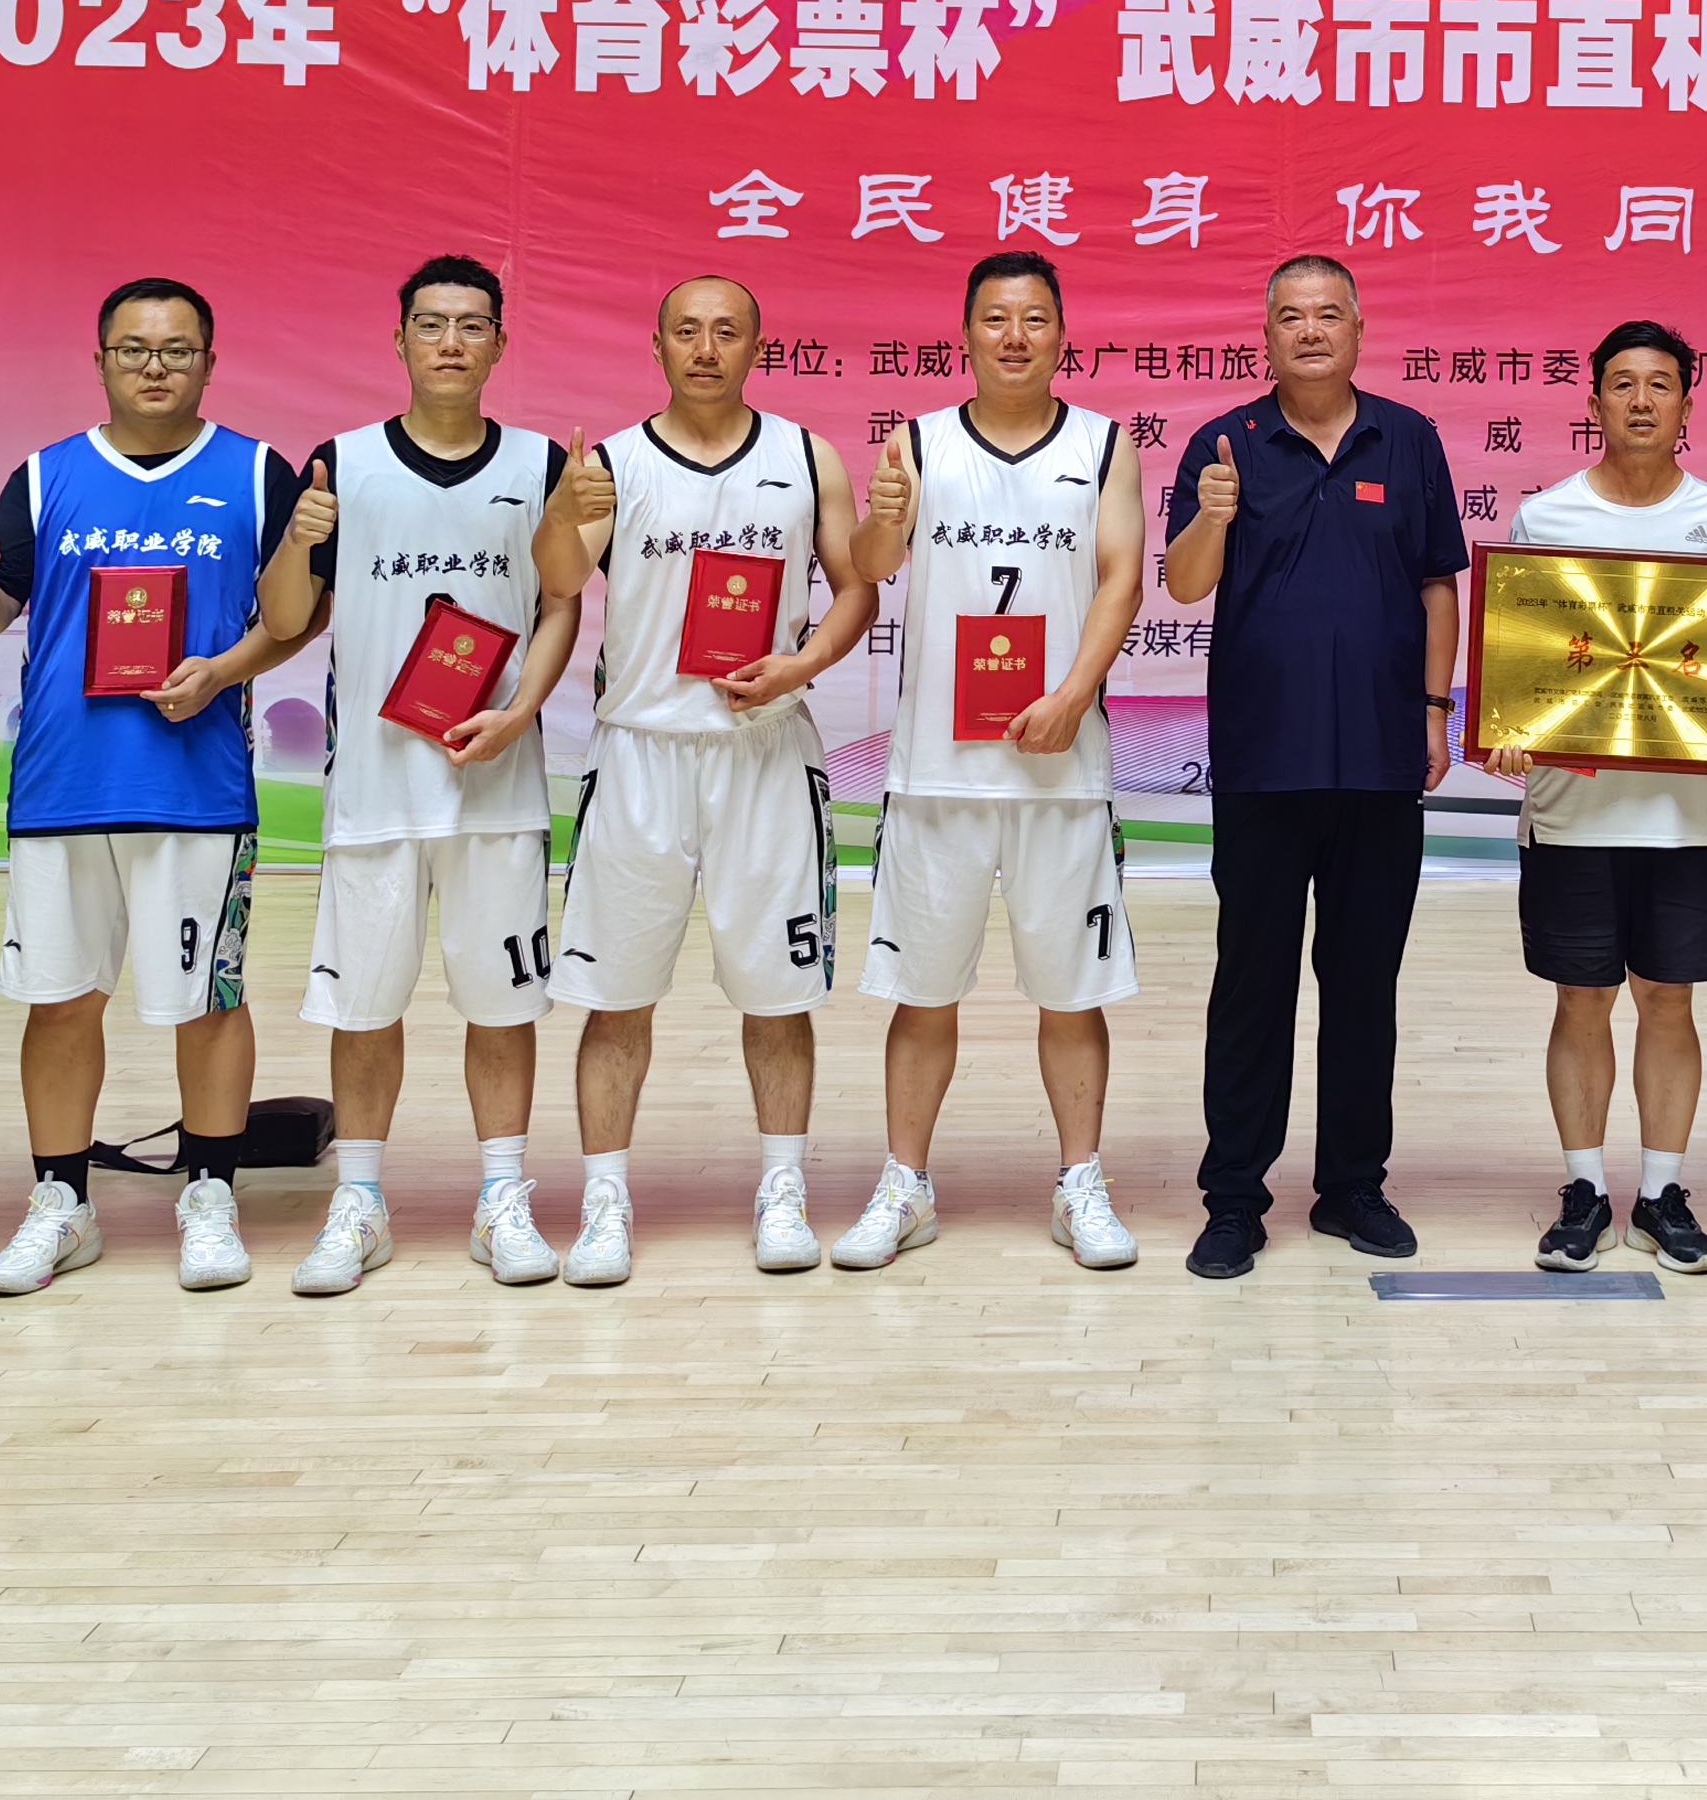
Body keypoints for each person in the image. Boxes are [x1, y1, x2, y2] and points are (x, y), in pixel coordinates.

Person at [0, 277, 314, 1295]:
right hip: (62, 787)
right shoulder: (42, 476)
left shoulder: (257, 473)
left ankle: (211, 1195)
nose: (155, 366)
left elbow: (295, 617)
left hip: (197, 789)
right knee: (61, 1002)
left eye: (177, 349)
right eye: (134, 349)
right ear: (101, 359)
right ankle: (61, 1204)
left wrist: (223, 673)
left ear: (210, 361)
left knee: (208, 1001)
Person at [529, 273, 872, 1282]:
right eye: (687, 331)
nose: (707, 349)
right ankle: (604, 1202)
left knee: (778, 996)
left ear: (759, 347)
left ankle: (782, 1191)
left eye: (727, 332)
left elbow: (856, 587)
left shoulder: (806, 457)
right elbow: (557, 579)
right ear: (658, 346)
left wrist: (801, 665)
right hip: (640, 754)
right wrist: (563, 512)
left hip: (764, 756)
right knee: (615, 999)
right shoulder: (615, 464)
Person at [254, 257, 582, 1297]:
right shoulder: (338, 465)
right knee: (364, 1007)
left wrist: (520, 712)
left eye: (471, 325)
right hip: (375, 789)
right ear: (397, 339)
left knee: (503, 1003)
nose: (450, 341)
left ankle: (502, 1197)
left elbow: (563, 603)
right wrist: (297, 543)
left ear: (499, 344)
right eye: (430, 324)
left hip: (496, 786)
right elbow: (286, 618)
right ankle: (359, 1201)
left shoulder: (540, 464)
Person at [828, 251, 1152, 1274]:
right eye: (996, 318)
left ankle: (1080, 1183)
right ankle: (905, 1185)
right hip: (937, 769)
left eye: (1035, 318)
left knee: (1071, 992)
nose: (1015, 336)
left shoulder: (1103, 444)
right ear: (965, 334)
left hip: (1060, 766)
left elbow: (1122, 578)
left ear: (1063, 335)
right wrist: (884, 516)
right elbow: (872, 569)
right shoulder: (918, 440)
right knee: (923, 992)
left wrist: (1072, 695)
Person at [1164, 256, 1470, 1280]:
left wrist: (1435, 712)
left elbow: (1437, 585)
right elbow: (1184, 585)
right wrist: (1212, 515)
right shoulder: (1225, 444)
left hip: (1381, 759)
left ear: (1357, 330)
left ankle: (1352, 1187)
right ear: (1265, 335)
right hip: (1264, 760)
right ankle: (1234, 1200)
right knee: (1251, 984)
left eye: (1327, 314)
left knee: (1363, 984)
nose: (1309, 330)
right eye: (1289, 316)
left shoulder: (1409, 439)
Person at [1480, 318, 1707, 1277]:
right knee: (1581, 999)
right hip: (1570, 813)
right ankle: (1583, 1190)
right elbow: (1524, 663)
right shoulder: (1546, 518)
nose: (1642, 400)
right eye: (1623, 384)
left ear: (1689, 404)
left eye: (1661, 384)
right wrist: (1509, 733)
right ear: (1594, 402)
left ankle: (1660, 1196)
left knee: (1668, 1000)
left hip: (1686, 818)